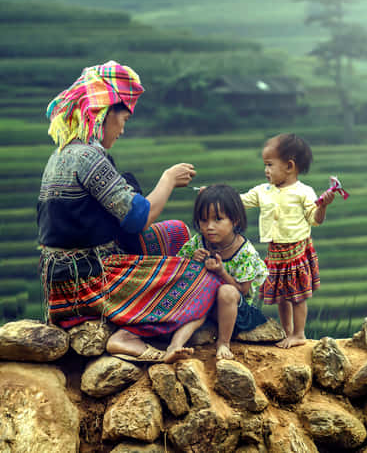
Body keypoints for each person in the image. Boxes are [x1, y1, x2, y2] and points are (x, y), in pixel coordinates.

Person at [37, 60, 226, 363]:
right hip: (89, 278)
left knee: (176, 232)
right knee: (204, 277)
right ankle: (131, 335)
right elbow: (138, 218)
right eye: (122, 118)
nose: (123, 128)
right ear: (104, 113)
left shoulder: (62, 154)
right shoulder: (90, 158)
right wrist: (168, 179)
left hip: (62, 278)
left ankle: (150, 306)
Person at [241, 133, 335, 348]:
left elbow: (315, 219)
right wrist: (218, 195)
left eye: (269, 165)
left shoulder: (304, 192)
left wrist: (323, 206)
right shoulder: (262, 191)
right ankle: (287, 332)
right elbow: (240, 201)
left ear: (289, 166)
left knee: (297, 296)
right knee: (283, 296)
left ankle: (299, 334)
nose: (265, 170)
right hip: (276, 253)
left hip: (296, 252)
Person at [177, 184, 269, 360]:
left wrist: (221, 272)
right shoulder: (198, 242)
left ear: (234, 220)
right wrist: (192, 262)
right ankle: (176, 341)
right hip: (205, 306)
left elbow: (242, 290)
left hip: (236, 311)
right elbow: (179, 268)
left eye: (217, 220)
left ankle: (224, 342)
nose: (209, 227)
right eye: (204, 221)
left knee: (226, 291)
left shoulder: (245, 252)